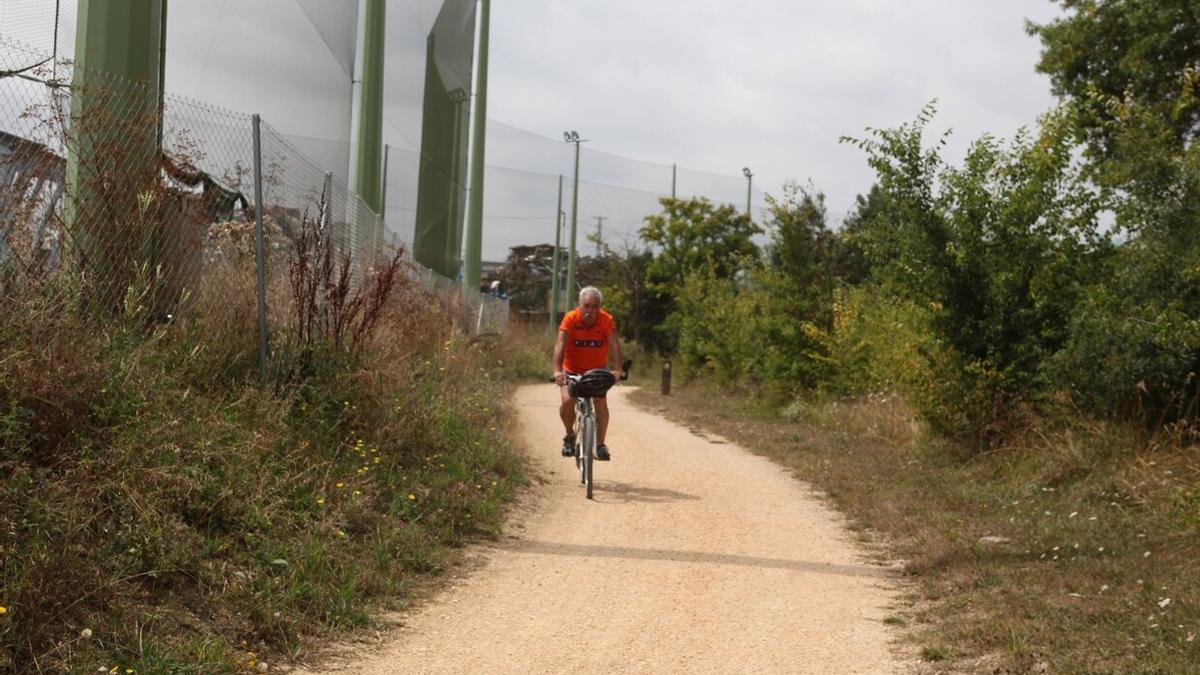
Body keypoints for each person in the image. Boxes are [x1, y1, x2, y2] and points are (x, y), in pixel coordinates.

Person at [553, 286, 622, 461]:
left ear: (599, 307)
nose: (590, 310)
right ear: (580, 305)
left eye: (594, 306)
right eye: (587, 306)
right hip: (571, 370)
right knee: (568, 401)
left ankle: (600, 444)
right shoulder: (570, 318)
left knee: (601, 406)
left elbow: (614, 344)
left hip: (596, 371)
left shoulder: (606, 320)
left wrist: (617, 369)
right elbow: (560, 344)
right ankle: (569, 436)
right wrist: (557, 371)